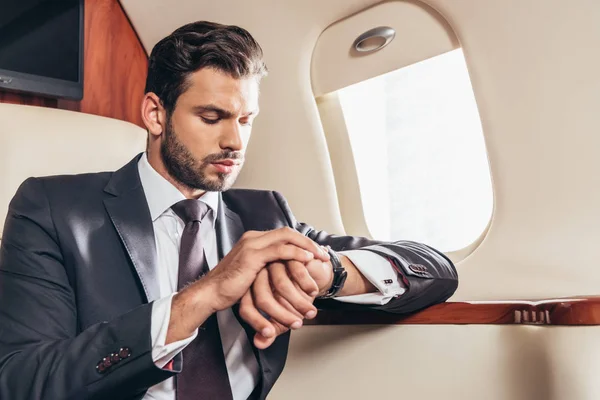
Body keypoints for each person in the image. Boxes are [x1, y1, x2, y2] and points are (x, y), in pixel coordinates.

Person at [0, 21, 458, 400]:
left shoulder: (265, 214)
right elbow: (22, 380)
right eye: (212, 118)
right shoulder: (52, 209)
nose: (235, 143)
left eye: (245, 121)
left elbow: (436, 270)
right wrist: (203, 296)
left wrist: (330, 273)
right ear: (156, 114)